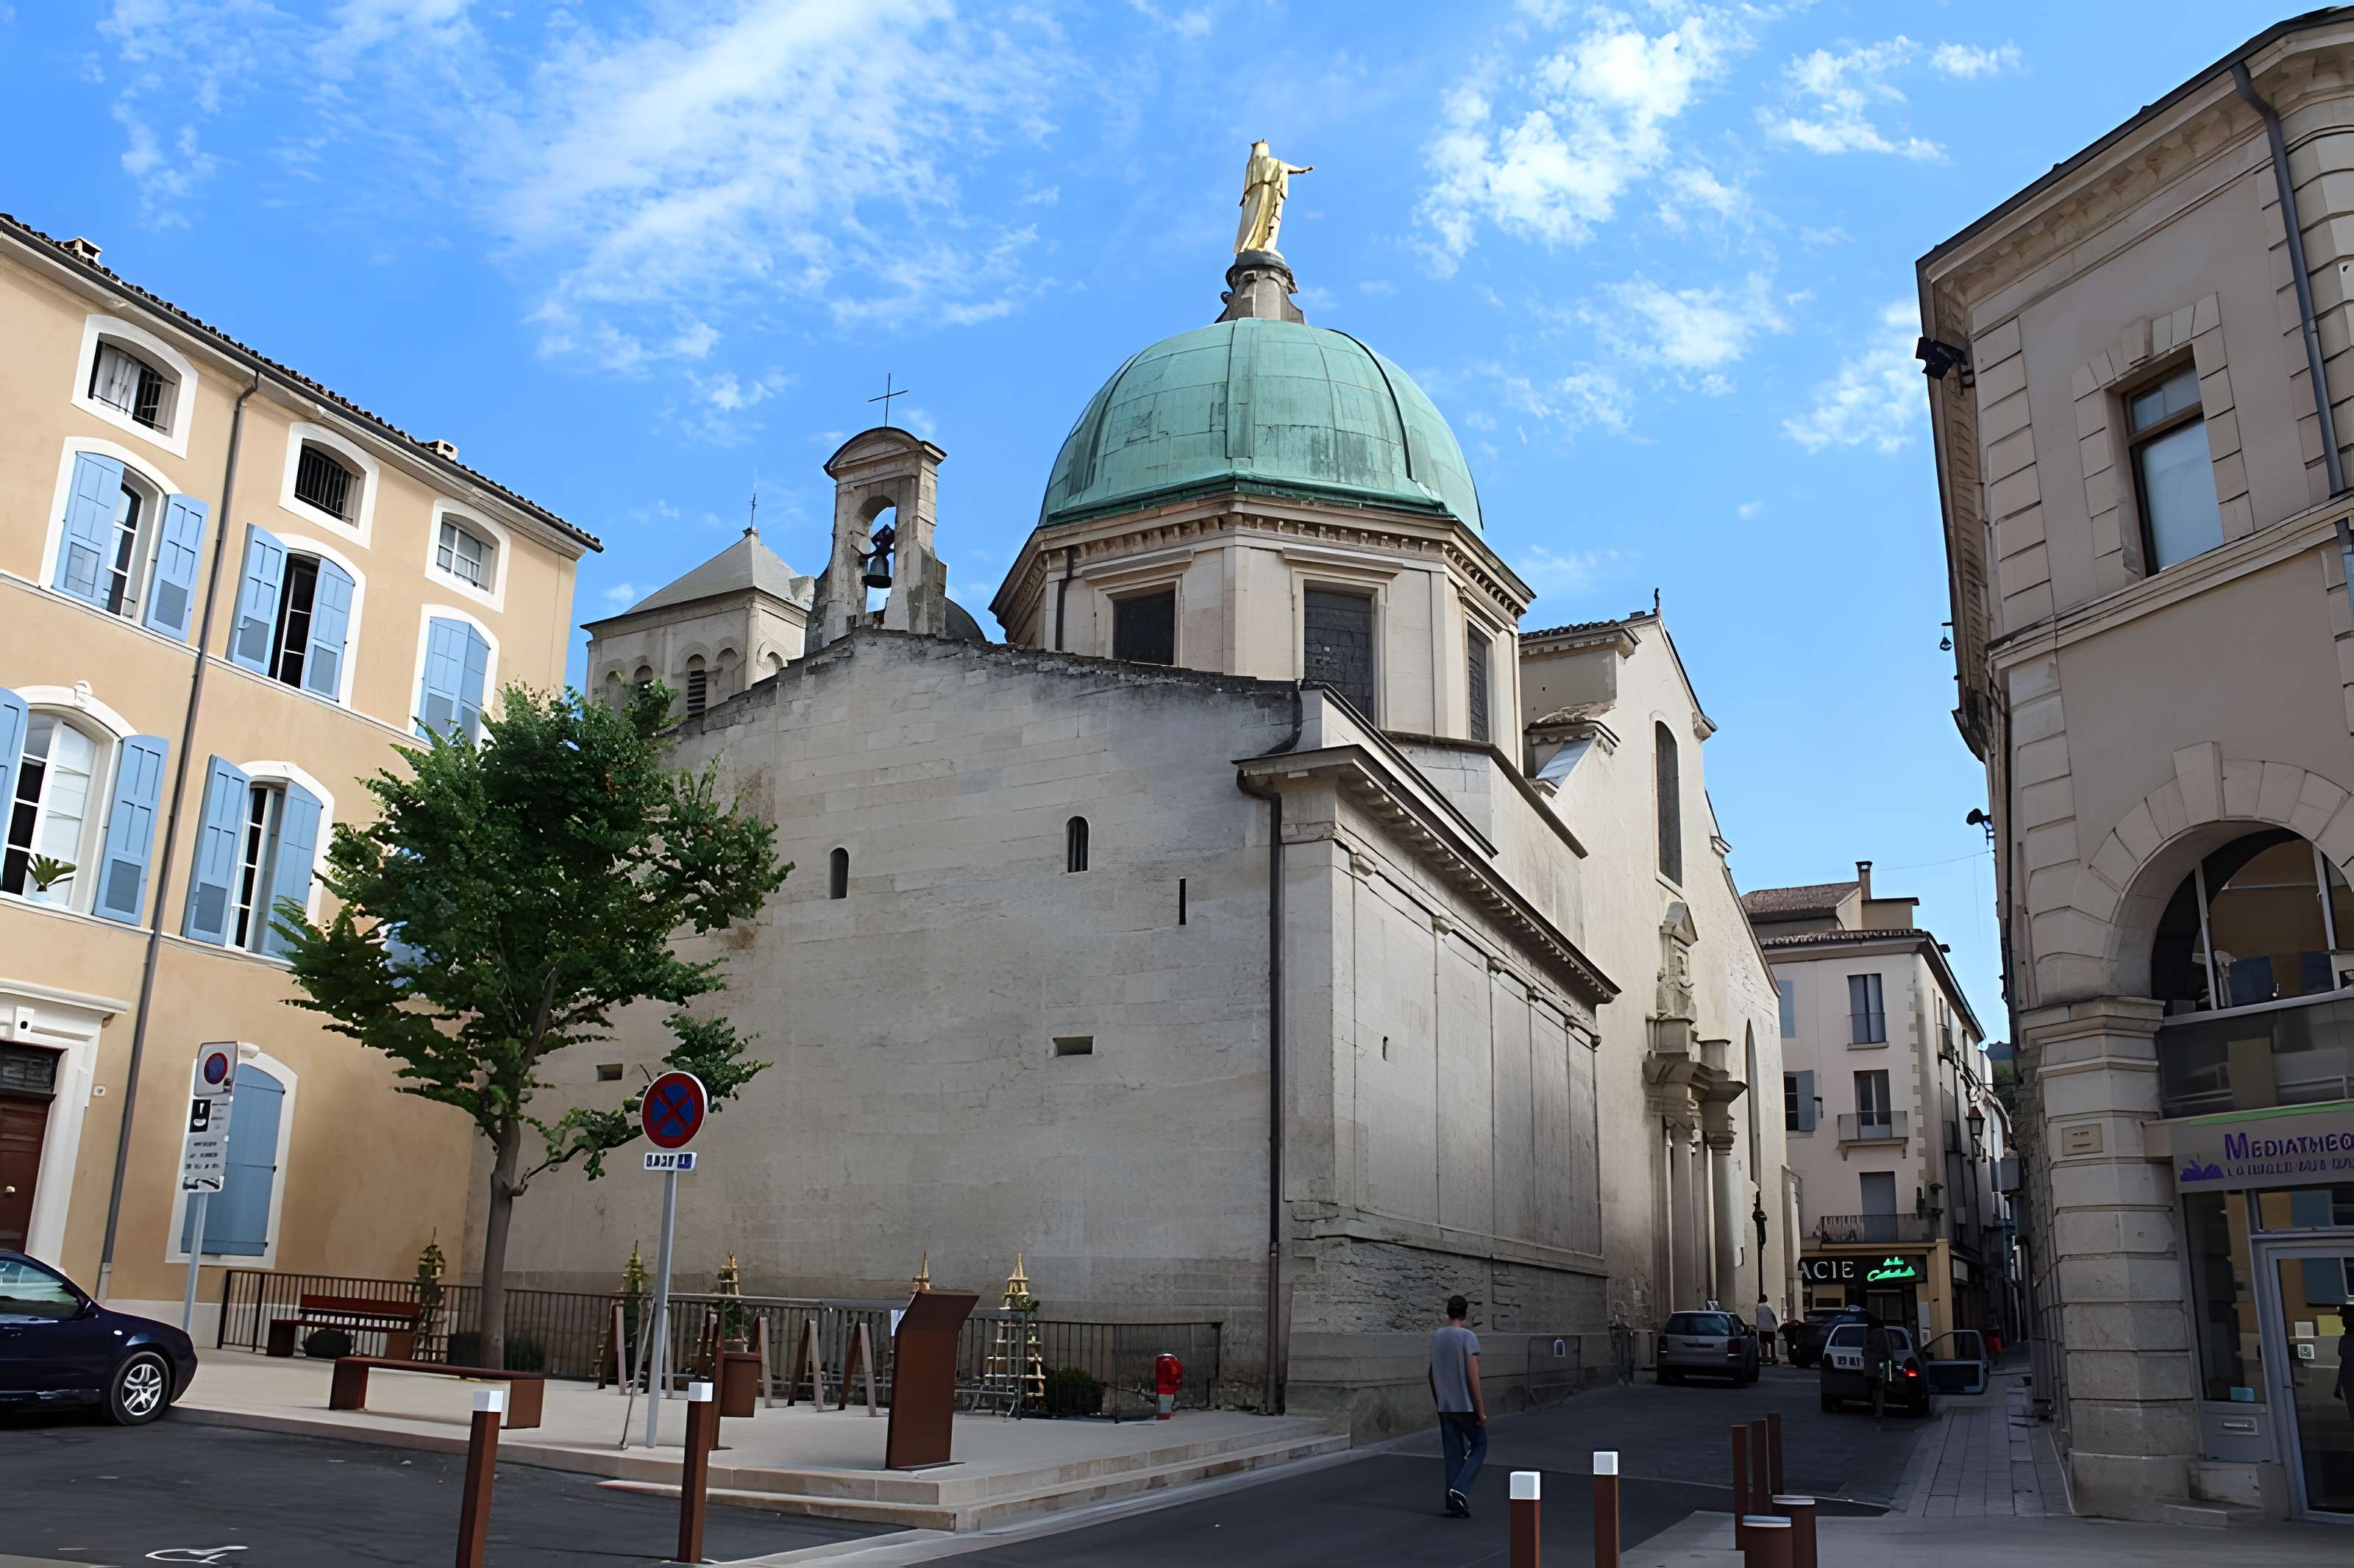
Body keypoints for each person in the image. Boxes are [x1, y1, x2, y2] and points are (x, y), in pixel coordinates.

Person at [1429, 1294, 1487, 1518]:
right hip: (1465, 1406)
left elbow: (1431, 1373)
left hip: (1445, 1405)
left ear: (1448, 1312)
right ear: (1465, 1314)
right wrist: (1480, 1410)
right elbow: (1474, 1376)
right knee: (1481, 1444)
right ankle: (1460, 1490)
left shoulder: (1437, 1337)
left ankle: (1454, 1503)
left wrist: (1439, 1400)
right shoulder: (1468, 1337)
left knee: (1453, 1453)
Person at [1863, 1316, 1893, 1422]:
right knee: (1881, 1389)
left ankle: (1874, 1406)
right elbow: (1889, 1350)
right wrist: (1891, 1359)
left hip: (1869, 1365)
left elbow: (1864, 1351)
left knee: (1873, 1388)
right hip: (1882, 1363)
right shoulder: (1883, 1333)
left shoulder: (1867, 1333)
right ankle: (1879, 1411)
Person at [1754, 1297, 1779, 1366]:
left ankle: (1764, 1357)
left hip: (1762, 1328)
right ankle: (1773, 1357)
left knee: (1763, 1343)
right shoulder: (1768, 1306)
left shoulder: (1758, 1307)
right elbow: (1773, 1316)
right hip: (1771, 1328)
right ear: (1766, 1300)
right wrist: (1776, 1325)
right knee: (1772, 1344)